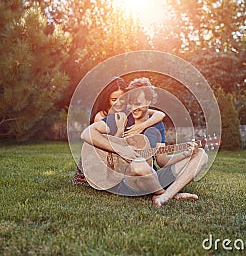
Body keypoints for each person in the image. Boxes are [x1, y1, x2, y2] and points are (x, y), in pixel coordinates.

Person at [80, 77, 208, 207]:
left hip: (152, 176)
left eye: (138, 103)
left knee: (201, 155)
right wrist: (121, 149)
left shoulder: (157, 125)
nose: (133, 108)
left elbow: (162, 161)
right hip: (130, 180)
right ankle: (167, 194)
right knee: (138, 165)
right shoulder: (121, 118)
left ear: (149, 100)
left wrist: (185, 154)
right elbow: (87, 133)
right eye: (131, 103)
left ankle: (164, 196)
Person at [72, 77, 165, 185]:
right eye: (114, 99)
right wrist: (120, 131)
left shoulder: (128, 112)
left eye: (122, 98)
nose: (118, 103)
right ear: (107, 99)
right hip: (101, 160)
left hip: (118, 158)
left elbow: (153, 112)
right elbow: (104, 145)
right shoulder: (102, 116)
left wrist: (144, 124)